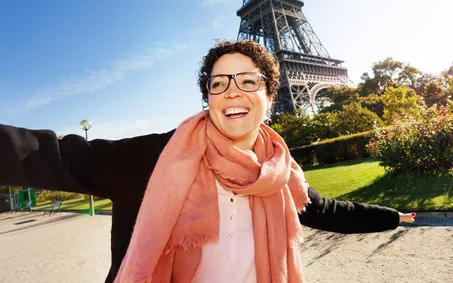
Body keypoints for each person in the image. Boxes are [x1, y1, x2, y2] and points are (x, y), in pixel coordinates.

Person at [0, 40, 416, 283]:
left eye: (248, 81)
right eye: (220, 84)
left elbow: (324, 210)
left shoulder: (280, 170)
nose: (233, 91)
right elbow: (53, 156)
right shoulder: (153, 158)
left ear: (270, 96)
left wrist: (390, 216)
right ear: (209, 99)